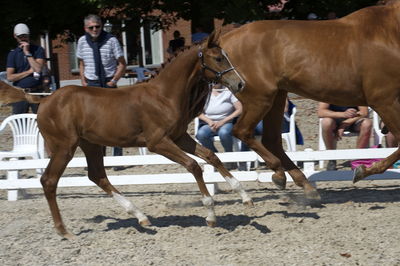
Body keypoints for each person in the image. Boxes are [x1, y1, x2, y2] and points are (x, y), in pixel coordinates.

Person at [76, 14, 127, 169]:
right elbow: (81, 63)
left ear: (101, 26)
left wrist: (114, 81)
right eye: (91, 27)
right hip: (92, 84)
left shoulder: (111, 40)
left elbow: (122, 64)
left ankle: (117, 160)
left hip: (109, 83)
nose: (95, 29)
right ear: (86, 28)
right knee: (93, 123)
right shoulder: (82, 41)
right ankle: (98, 160)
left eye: (97, 26)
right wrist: (83, 81)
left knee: (116, 121)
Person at [196, 83, 242, 169]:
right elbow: (197, 111)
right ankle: (216, 158)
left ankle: (229, 158)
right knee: (201, 134)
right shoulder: (204, 92)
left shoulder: (228, 91)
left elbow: (239, 109)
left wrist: (223, 121)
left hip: (226, 122)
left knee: (224, 133)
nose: (214, 82)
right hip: (209, 123)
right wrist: (209, 121)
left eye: (216, 80)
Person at [318, 103, 372, 170]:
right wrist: (343, 114)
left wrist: (345, 124)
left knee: (367, 123)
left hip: (354, 119)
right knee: (326, 123)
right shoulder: (328, 92)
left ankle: (358, 158)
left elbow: (364, 112)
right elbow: (321, 112)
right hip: (334, 119)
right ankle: (331, 158)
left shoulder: (358, 92)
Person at [6, 23, 46, 114]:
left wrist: (27, 53)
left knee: (41, 120)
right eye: (21, 37)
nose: (23, 38)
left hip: (36, 91)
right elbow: (10, 77)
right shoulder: (13, 54)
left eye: (25, 36)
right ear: (15, 36)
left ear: (29, 35)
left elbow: (38, 69)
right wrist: (29, 72)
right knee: (19, 122)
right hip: (20, 93)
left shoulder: (38, 50)